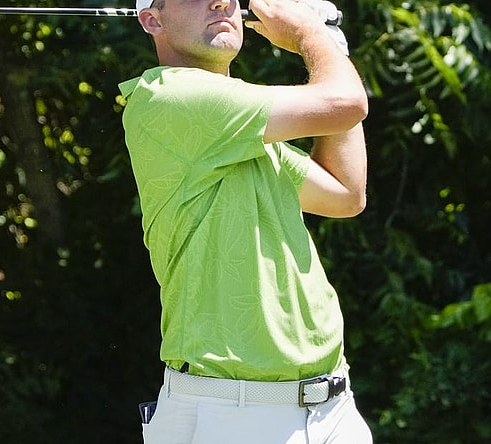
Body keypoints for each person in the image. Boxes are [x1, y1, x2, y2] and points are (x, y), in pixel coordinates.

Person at [118, 0, 372, 442]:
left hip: (332, 406)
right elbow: (346, 103)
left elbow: (344, 194)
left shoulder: (241, 131)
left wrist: (331, 45)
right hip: (230, 415)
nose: (222, 2)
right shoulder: (169, 96)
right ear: (150, 19)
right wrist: (313, 36)